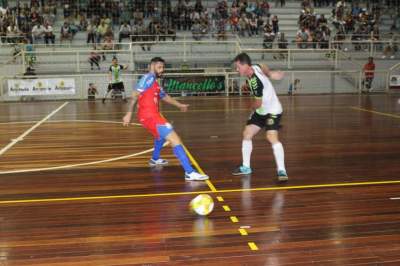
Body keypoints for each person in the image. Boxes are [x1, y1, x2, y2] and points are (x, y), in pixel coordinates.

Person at [122, 57, 209, 181]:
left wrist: (179, 105)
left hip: (150, 116)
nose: (162, 70)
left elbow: (165, 97)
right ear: (152, 66)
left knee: (160, 136)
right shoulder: (149, 77)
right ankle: (190, 172)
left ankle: (155, 159)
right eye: (159, 67)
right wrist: (128, 113)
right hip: (150, 116)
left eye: (163, 68)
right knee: (175, 139)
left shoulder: (155, 83)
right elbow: (135, 94)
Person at [232, 53, 288, 182]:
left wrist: (250, 107)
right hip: (262, 110)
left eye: (238, 67)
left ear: (245, 65)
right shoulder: (255, 68)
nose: (236, 69)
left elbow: (258, 103)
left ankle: (282, 170)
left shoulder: (254, 81)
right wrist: (270, 74)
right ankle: (246, 167)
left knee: (271, 136)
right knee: (247, 133)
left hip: (272, 110)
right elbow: (262, 65)